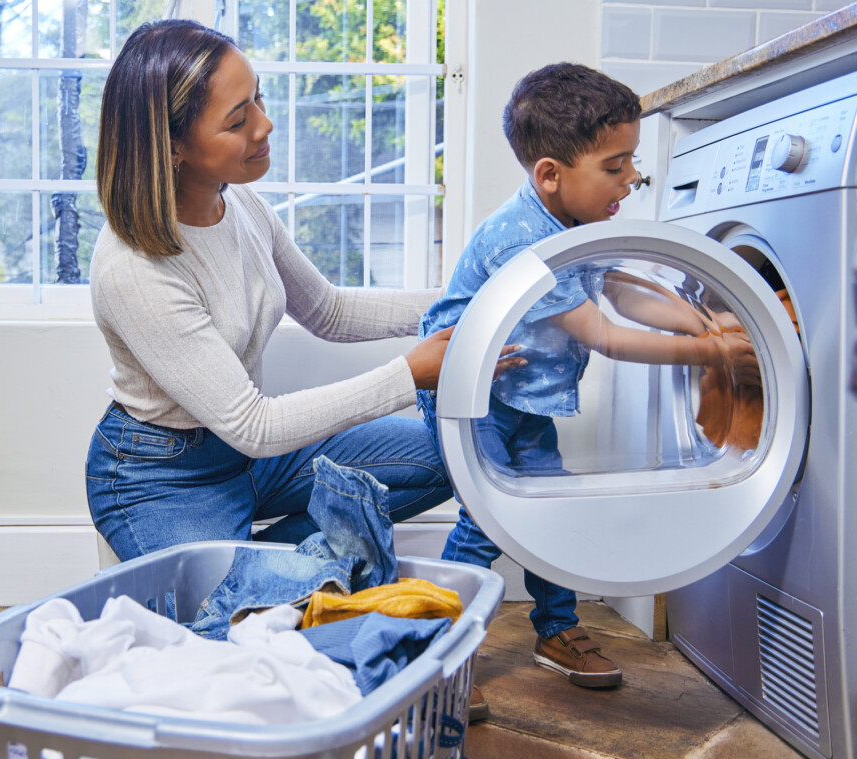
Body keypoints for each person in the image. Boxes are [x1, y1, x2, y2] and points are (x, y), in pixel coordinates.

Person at [85, 19, 524, 563]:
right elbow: (254, 423)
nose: (265, 126)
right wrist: (410, 376)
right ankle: (268, 572)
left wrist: (473, 298)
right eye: (238, 119)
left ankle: (275, 566)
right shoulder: (134, 269)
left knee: (455, 458)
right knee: (225, 633)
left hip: (253, 456)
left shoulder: (241, 205)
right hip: (162, 475)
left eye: (258, 100)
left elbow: (329, 311)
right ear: (173, 146)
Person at [416, 63, 757, 713]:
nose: (631, 178)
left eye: (631, 162)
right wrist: (710, 348)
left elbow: (622, 290)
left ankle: (556, 631)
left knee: (550, 506)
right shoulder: (523, 236)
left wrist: (699, 316)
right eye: (615, 165)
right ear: (550, 174)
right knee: (489, 520)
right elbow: (602, 332)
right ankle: (440, 657)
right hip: (468, 394)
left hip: (523, 395)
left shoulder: (578, 224)